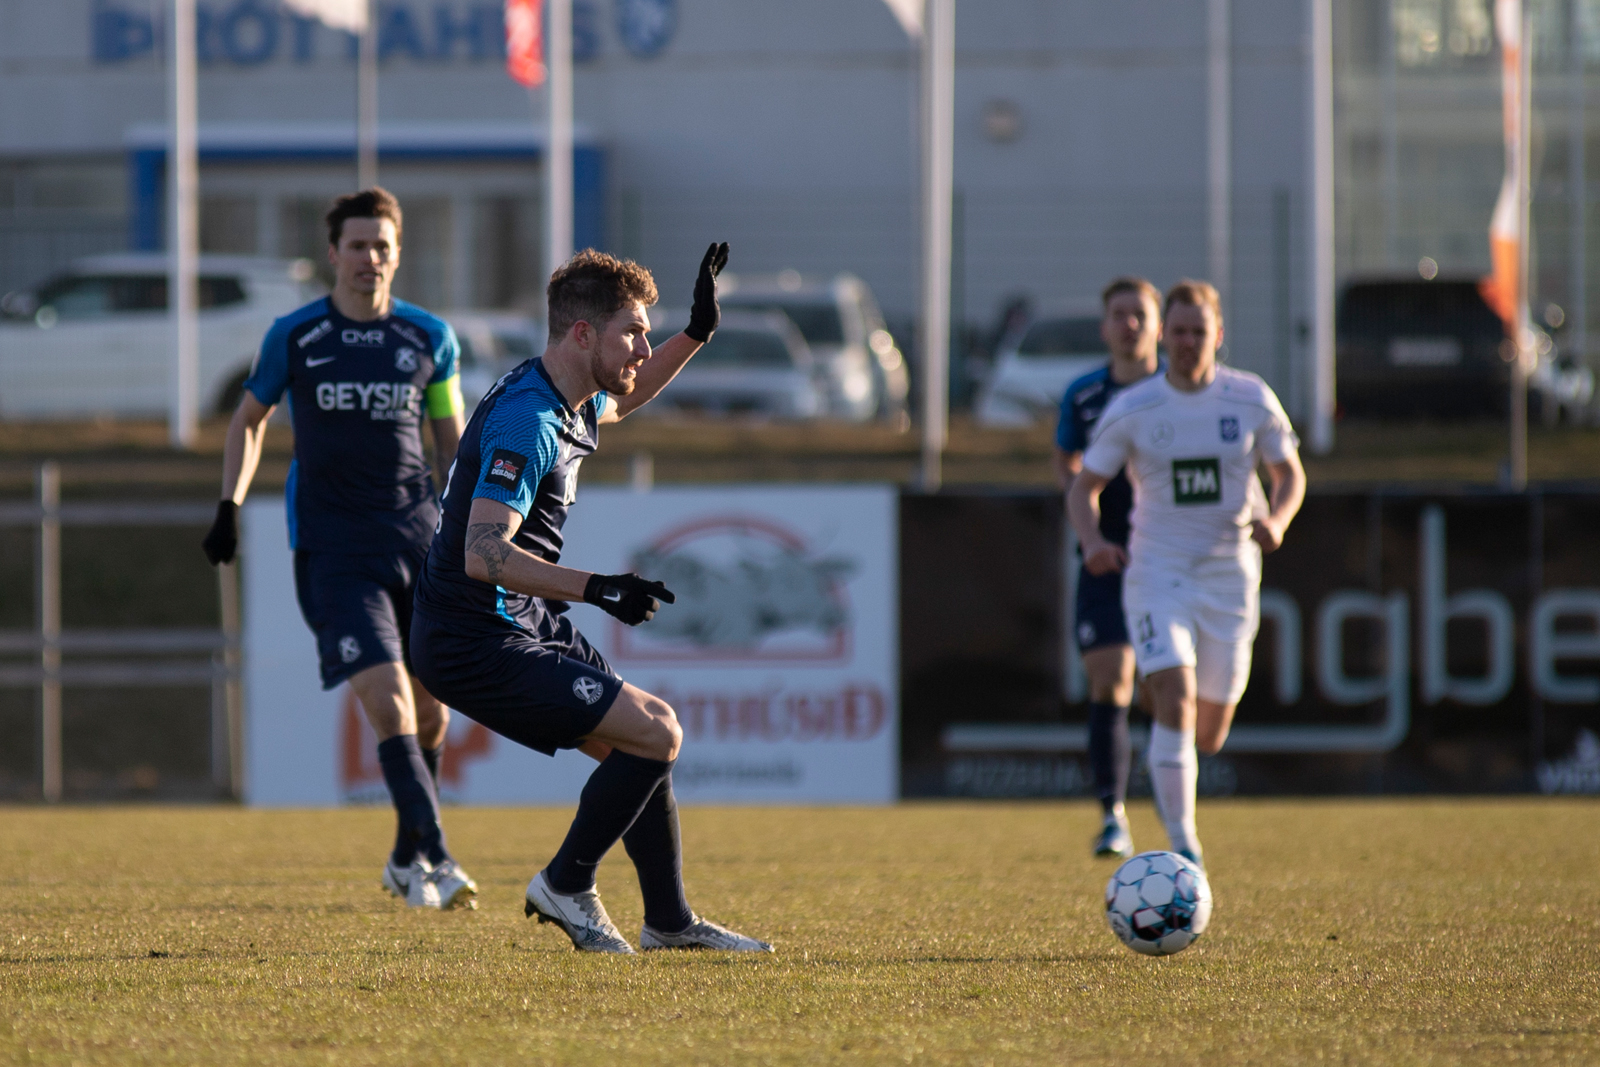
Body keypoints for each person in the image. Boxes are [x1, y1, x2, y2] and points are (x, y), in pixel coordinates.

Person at [409, 244, 772, 954]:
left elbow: (625, 398)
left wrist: (694, 334)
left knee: (641, 744)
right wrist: (599, 588)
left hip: (518, 618)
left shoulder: (564, 397)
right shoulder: (530, 420)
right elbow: (483, 555)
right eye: (633, 331)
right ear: (582, 334)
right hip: (471, 636)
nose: (642, 346)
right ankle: (566, 883)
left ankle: (669, 924)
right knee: (658, 730)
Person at [202, 188, 476, 910]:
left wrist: (473, 522)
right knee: (387, 703)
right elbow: (248, 418)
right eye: (357, 244)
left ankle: (404, 854)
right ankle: (440, 857)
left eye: (382, 245)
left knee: (433, 713)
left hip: (420, 543)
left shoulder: (430, 338)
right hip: (334, 549)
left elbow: (449, 438)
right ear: (333, 253)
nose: (370, 258)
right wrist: (228, 504)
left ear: (397, 253)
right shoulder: (294, 336)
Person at [1067, 280, 1304, 869]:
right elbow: (1083, 486)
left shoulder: (1249, 399)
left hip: (1229, 577)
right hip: (1156, 573)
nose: (1188, 341)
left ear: (1218, 336)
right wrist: (1093, 540)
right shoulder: (1136, 408)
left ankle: (1173, 778)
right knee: (1172, 697)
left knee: (1209, 732)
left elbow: (1290, 474)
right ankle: (1183, 847)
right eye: (1178, 331)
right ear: (1163, 336)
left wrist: (1277, 518)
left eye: (1199, 331)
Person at [1053, 277, 1162, 859]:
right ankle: (1113, 814)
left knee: (1166, 691)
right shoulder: (1086, 394)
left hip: (1168, 556)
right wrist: (1088, 530)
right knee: (1110, 677)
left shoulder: (1180, 390)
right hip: (1104, 554)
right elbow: (1065, 459)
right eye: (1119, 314)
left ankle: (1173, 809)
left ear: (1157, 325)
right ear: (1105, 326)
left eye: (1139, 314)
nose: (1129, 324)